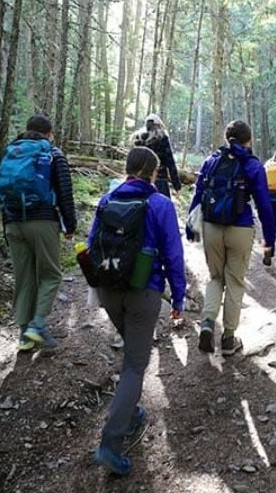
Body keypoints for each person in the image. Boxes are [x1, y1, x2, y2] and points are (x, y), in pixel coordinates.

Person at [90, 147, 186, 475]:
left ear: (128, 168)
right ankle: (110, 446)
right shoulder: (159, 203)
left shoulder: (106, 200)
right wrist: (178, 298)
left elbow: (92, 246)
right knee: (134, 365)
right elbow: (173, 255)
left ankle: (129, 415)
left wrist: (96, 289)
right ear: (152, 172)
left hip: (108, 290)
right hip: (143, 292)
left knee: (131, 354)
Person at [187, 120, 276, 356]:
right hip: (240, 228)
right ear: (249, 140)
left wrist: (190, 225)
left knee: (216, 278)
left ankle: (207, 323)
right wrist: (270, 237)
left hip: (211, 226)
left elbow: (198, 194)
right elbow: (264, 205)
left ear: (228, 139)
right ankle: (228, 339)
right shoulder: (252, 165)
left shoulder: (212, 161)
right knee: (235, 281)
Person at [1, 115, 77, 351]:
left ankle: (24, 335)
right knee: (51, 274)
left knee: (23, 278)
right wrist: (70, 226)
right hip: (43, 221)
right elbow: (64, 192)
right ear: (49, 133)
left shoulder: (11, 152)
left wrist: (7, 223)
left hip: (13, 223)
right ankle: (38, 325)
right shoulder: (53, 154)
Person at [131, 114, 182, 197]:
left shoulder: (139, 139)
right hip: (160, 180)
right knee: (162, 207)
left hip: (140, 181)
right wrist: (177, 186)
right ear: (159, 125)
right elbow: (170, 162)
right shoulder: (162, 138)